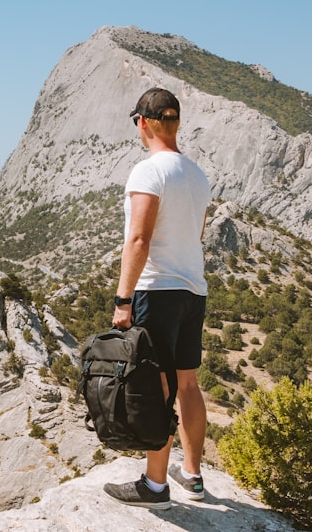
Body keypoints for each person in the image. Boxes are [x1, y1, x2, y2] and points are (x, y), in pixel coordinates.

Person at [103, 87, 211, 509]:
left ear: (142, 122)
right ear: (176, 123)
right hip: (192, 289)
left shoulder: (148, 172)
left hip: (157, 291)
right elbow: (197, 236)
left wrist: (123, 298)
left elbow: (139, 239)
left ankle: (155, 485)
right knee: (188, 382)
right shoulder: (197, 174)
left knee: (159, 384)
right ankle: (194, 475)